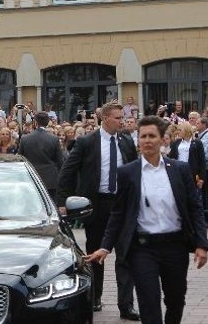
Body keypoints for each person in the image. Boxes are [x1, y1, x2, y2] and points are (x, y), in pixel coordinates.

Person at [84, 115, 208, 324]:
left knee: (176, 299)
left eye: (152, 136)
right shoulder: (127, 173)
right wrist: (105, 246)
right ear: (138, 141)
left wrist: (201, 244)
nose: (147, 141)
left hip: (175, 245)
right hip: (142, 248)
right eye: (143, 137)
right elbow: (118, 214)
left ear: (162, 140)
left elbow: (195, 209)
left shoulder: (179, 170)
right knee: (148, 301)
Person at [57, 102, 140, 319]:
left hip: (121, 204)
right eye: (117, 118)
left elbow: (134, 171)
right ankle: (95, 297)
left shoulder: (126, 141)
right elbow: (68, 170)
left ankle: (126, 304)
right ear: (104, 119)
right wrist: (63, 201)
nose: (121, 121)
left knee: (125, 253)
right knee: (96, 252)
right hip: (96, 204)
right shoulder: (87, 142)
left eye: (123, 117)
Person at [19, 111, 64, 203]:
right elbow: (60, 162)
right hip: (50, 180)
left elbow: (20, 159)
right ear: (48, 122)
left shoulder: (25, 138)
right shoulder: (54, 139)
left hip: (30, 179)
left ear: (35, 122)